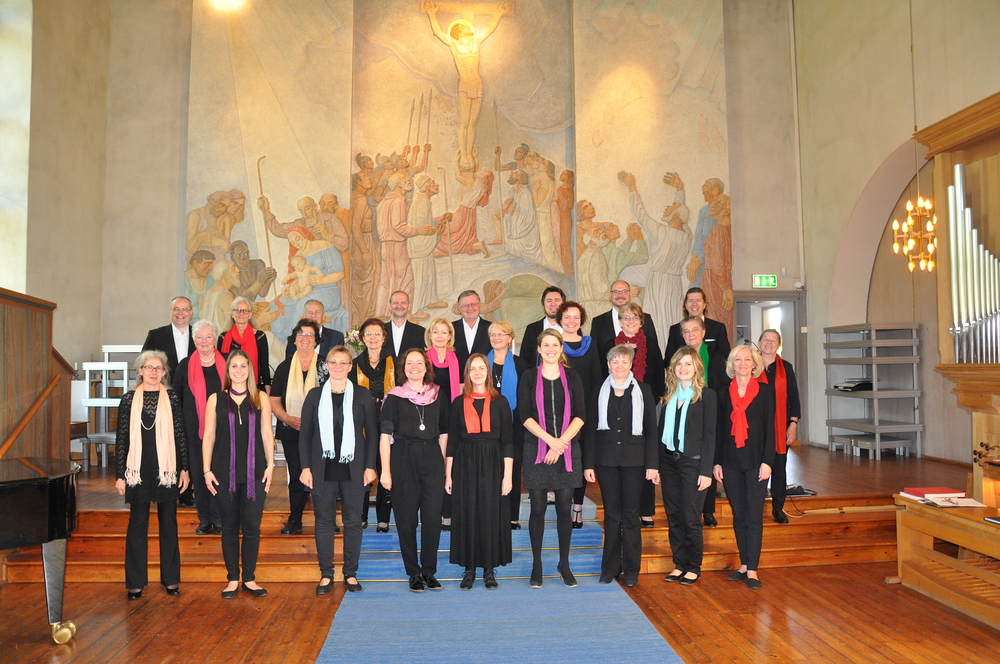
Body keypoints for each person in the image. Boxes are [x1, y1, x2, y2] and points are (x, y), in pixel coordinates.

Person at [299, 346, 379, 594]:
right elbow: (305, 435)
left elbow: (373, 433)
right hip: (321, 469)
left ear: (350, 367)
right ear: (326, 366)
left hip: (354, 469)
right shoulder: (314, 395)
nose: (338, 366)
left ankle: (350, 573)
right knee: (323, 522)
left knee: (353, 522)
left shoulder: (362, 395)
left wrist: (370, 466)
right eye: (333, 362)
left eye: (343, 362)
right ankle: (326, 574)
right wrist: (305, 468)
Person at [115, 351, 190, 600]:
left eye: (158, 368)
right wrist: (120, 475)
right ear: (140, 371)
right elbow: (122, 439)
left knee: (169, 524)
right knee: (137, 526)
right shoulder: (128, 400)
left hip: (166, 470)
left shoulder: (172, 397)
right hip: (137, 471)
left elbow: (180, 435)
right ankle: (135, 582)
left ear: (165, 372)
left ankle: (171, 579)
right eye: (149, 368)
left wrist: (184, 469)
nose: (154, 372)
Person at [203, 350, 277, 599]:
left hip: (255, 473)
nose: (238, 370)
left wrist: (270, 465)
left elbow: (266, 433)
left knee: (253, 527)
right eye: (233, 366)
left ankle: (250, 578)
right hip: (224, 473)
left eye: (243, 366)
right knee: (229, 527)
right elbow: (209, 436)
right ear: (228, 371)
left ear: (249, 370)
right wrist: (206, 470)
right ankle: (233, 578)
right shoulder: (216, 399)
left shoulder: (261, 398)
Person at [583, 344, 657, 587]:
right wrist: (588, 463)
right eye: (615, 361)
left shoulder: (643, 390)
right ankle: (610, 568)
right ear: (608, 364)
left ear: (631, 364)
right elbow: (590, 430)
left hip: (635, 462)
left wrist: (652, 464)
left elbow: (651, 430)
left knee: (631, 515)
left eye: (624, 361)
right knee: (612, 515)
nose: (619, 366)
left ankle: (632, 570)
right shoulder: (598, 391)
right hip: (605, 461)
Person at [517, 329, 586, 588]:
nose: (550, 349)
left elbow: (580, 414)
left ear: (561, 348)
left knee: (564, 509)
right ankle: (537, 565)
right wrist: (550, 442)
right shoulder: (529, 376)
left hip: (566, 449)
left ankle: (564, 564)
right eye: (545, 345)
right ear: (538, 349)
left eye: (554, 345)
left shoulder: (572, 375)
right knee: (537, 508)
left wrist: (560, 444)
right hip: (536, 449)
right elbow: (524, 415)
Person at [379, 349, 450, 592]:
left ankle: (429, 571)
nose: (414, 367)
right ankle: (413, 573)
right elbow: (385, 436)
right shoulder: (394, 397)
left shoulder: (438, 394)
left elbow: (444, 432)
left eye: (419, 363)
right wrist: (385, 471)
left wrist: (443, 466)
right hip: (403, 458)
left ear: (426, 367)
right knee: (406, 520)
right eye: (410, 363)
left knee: (432, 519)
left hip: (432, 458)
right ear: (403, 368)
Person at [447, 354, 514, 589]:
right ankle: (469, 569)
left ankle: (489, 568)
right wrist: (448, 474)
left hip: (493, 463)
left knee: (490, 513)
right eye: (472, 369)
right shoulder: (458, 403)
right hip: (465, 463)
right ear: (467, 373)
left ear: (488, 372)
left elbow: (508, 442)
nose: (477, 373)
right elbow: (453, 442)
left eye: (481, 368)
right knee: (467, 513)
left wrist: (508, 476)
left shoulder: (501, 402)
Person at [714, 344, 775, 590]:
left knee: (753, 515)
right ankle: (743, 563)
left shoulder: (765, 391)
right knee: (739, 514)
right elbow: (718, 430)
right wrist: (716, 462)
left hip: (757, 462)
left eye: (747, 359)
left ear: (754, 364)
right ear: (732, 364)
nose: (742, 364)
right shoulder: (722, 392)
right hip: (730, 461)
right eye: (737, 360)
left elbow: (771, 429)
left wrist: (768, 461)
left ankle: (753, 569)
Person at [658, 347, 717, 586]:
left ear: (696, 368)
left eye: (688, 364)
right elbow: (660, 433)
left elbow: (710, 435)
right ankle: (679, 564)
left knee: (691, 517)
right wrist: (657, 466)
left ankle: (693, 566)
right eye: (679, 364)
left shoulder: (707, 395)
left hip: (693, 464)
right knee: (673, 515)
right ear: (673, 368)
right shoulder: (668, 396)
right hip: (669, 463)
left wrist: (706, 471)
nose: (683, 368)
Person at [270, 319, 328, 536]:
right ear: (294, 339)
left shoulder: (326, 366)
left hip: (321, 433)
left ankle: (326, 520)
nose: (305, 338)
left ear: (316, 340)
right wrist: (286, 418)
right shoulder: (284, 368)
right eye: (301, 334)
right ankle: (295, 520)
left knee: (323, 476)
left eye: (310, 334)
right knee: (296, 475)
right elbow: (274, 400)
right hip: (291, 430)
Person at [173, 319, 225, 534]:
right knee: (199, 473)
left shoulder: (228, 362)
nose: (204, 341)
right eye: (199, 337)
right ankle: (204, 518)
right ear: (194, 341)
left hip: (222, 430)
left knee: (219, 474)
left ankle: (220, 518)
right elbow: (176, 398)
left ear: (215, 339)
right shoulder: (185, 365)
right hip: (193, 431)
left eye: (208, 336)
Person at [556, 301, 602, 529]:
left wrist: (591, 409)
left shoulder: (589, 345)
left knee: (581, 458)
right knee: (561, 456)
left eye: (575, 317)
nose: (571, 321)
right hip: (559, 411)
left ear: (581, 320)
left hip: (584, 411)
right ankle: (562, 505)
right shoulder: (553, 344)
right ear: (560, 320)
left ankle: (578, 506)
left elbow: (597, 379)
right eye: (567, 317)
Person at [679, 316, 728, 528]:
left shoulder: (717, 358)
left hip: (710, 415)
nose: (691, 334)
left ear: (703, 332)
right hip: (685, 418)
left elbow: (724, 389)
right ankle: (688, 509)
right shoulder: (679, 358)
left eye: (695, 330)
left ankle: (707, 510)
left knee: (708, 461)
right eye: (686, 331)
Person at [350, 317, 396, 532]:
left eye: (377, 333)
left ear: (384, 337)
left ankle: (383, 518)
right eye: (369, 334)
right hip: (362, 424)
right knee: (362, 469)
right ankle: (361, 515)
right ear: (362, 338)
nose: (373, 337)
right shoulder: (355, 364)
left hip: (389, 422)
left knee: (386, 468)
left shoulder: (395, 362)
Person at [757, 329, 801, 524]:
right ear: (760, 342)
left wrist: (793, 424)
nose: (769, 343)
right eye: (765, 339)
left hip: (779, 426)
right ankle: (755, 507)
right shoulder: (750, 364)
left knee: (779, 468)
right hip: (755, 427)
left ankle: (778, 508)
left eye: (773, 340)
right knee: (755, 467)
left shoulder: (786, 367)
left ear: (778, 344)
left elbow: (794, 397)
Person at [590, 281, 663, 397]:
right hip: (614, 393)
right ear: (620, 322)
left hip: (647, 395)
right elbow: (599, 365)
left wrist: (656, 396)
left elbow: (658, 370)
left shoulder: (650, 343)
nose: (631, 321)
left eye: (635, 318)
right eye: (626, 318)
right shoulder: (603, 332)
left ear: (641, 322)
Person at [487, 321, 528, 529]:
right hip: (486, 424)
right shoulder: (481, 362)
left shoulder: (521, 364)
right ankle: (491, 514)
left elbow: (525, 396)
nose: (496, 338)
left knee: (513, 468)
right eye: (493, 334)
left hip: (515, 424)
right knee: (490, 469)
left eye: (501, 334)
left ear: (510, 338)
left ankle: (512, 516)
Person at [218, 296, 271, 393]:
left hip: (254, 388)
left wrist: (268, 393)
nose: (241, 313)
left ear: (250, 315)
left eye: (245, 311)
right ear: (232, 314)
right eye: (238, 310)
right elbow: (220, 367)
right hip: (229, 387)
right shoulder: (223, 337)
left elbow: (264, 366)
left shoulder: (259, 336)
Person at [664, 287, 731, 363]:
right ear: (685, 305)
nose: (694, 304)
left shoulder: (718, 328)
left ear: (704, 305)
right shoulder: (675, 329)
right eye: (690, 301)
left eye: (698, 300)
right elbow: (669, 360)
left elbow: (726, 358)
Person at [141, 296, 196, 373]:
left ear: (190, 312)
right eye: (176, 309)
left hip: (193, 381)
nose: (180, 312)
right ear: (170, 311)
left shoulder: (200, 336)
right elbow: (143, 364)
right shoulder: (155, 336)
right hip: (165, 380)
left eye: (185, 309)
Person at [518, 286, 565, 365]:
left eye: (557, 300)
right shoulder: (532, 329)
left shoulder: (572, 329)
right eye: (549, 301)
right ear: (543, 304)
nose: (553, 304)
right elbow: (524, 360)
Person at [453, 290, 492, 369]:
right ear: (459, 308)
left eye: (473, 304)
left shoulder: (491, 328)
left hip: (483, 375)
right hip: (457, 376)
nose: (470, 308)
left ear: (479, 305)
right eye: (465, 305)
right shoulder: (450, 329)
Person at [387, 290, 427, 359]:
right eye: (395, 303)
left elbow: (424, 359)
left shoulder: (420, 332)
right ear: (389, 306)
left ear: (409, 306)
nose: (399, 306)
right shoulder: (381, 331)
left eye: (403, 303)